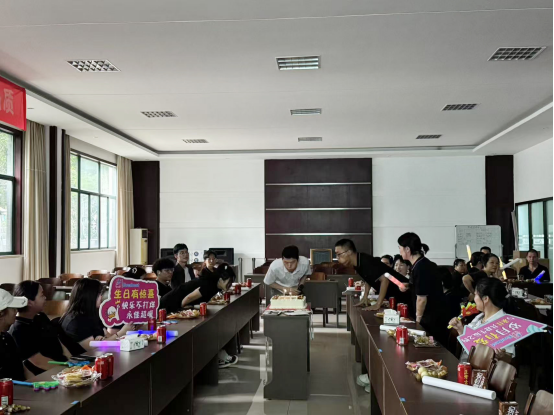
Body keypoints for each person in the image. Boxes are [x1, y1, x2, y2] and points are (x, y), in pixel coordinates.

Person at [9, 281, 85, 376]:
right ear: (29, 302)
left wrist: (71, 362)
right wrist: (68, 371)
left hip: (64, 367)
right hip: (48, 374)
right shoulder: (18, 330)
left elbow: (59, 342)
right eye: (41, 295)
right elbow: (39, 362)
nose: (45, 297)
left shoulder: (41, 317)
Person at [398, 232, 449, 344]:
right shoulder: (420, 264)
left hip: (431, 319)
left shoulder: (422, 267)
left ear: (407, 249)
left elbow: (422, 298)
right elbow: (422, 286)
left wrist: (417, 322)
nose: (399, 251)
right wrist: (409, 286)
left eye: (400, 248)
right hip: (431, 316)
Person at [449, 278, 515, 361]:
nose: (474, 299)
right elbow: (470, 345)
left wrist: (501, 356)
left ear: (485, 299)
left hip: (482, 368)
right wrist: (460, 329)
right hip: (466, 364)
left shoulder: (505, 323)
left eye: (475, 294)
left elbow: (509, 358)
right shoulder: (479, 317)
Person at [335, 239, 409, 311]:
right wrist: (365, 297)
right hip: (395, 295)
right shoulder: (357, 262)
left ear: (349, 252)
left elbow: (385, 280)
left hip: (404, 292)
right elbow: (368, 278)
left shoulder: (365, 261)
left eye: (339, 254)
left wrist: (378, 304)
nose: (337, 258)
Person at [59, 279, 134, 349]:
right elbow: (93, 348)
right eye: (98, 294)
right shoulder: (76, 321)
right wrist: (121, 333)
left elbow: (107, 336)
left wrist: (105, 339)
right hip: (87, 357)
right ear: (89, 296)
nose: (101, 296)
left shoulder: (92, 315)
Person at [161, 263, 236, 312]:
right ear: (221, 279)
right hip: (170, 302)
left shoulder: (215, 286)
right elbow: (188, 298)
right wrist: (183, 311)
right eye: (229, 282)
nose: (230, 284)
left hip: (176, 302)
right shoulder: (209, 285)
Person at [0, 288, 28, 381]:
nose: (16, 312)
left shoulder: (7, 338)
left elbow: (20, 370)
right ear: (1, 314)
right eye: (13, 309)